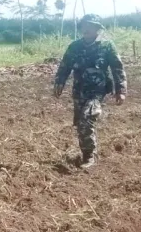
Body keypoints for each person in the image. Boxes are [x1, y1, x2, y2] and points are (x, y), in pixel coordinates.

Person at [53, 14, 128, 169]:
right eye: (83, 25)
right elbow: (65, 66)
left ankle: (89, 156)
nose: (86, 28)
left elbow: (117, 67)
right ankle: (87, 153)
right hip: (79, 91)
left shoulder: (107, 46)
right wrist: (59, 82)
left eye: (90, 25)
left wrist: (120, 89)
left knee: (87, 119)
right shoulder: (74, 47)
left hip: (97, 91)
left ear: (97, 29)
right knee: (81, 123)